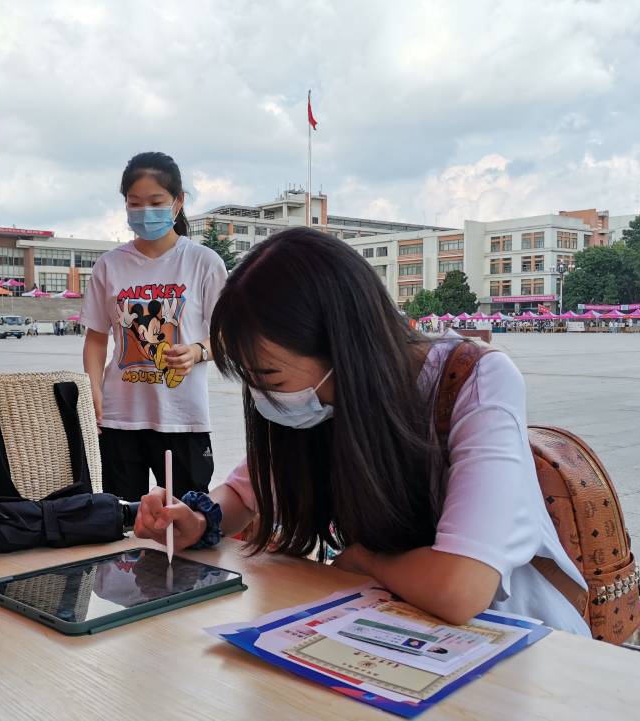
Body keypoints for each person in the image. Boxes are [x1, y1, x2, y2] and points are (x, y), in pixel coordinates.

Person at [131, 228, 590, 634]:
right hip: (393, 628)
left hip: (513, 638)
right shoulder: (322, 403)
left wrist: (368, 561)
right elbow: (246, 491)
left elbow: (460, 586)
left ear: (342, 346)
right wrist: (197, 520)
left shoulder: (476, 380)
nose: (263, 396)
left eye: (269, 378)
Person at [81, 151, 227, 502]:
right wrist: (93, 390)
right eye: (135, 203)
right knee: (122, 517)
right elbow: (96, 339)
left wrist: (197, 352)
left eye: (156, 202)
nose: (145, 211)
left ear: (178, 202)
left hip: (183, 420)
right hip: (119, 419)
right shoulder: (109, 265)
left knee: (188, 517)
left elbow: (227, 336)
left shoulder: (204, 262)